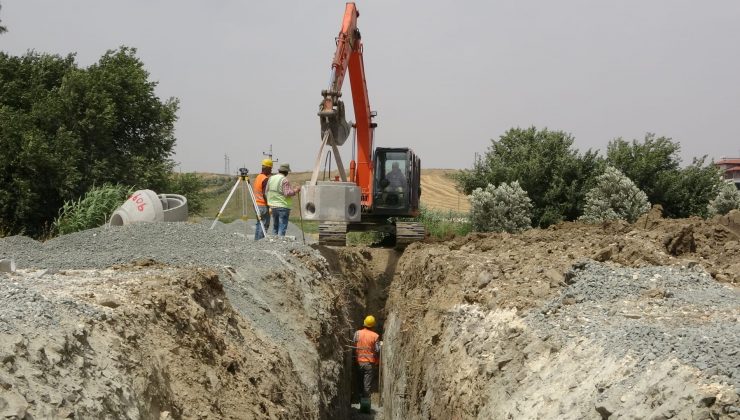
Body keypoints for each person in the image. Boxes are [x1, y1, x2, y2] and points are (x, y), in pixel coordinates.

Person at [353, 315, 380, 411]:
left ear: (364, 323)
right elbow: (377, 350)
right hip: (369, 364)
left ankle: (360, 402)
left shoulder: (357, 333)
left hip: (358, 362)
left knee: (360, 383)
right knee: (367, 385)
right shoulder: (375, 336)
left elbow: (354, 345)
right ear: (373, 325)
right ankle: (365, 408)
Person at [266, 162, 301, 237]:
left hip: (273, 206)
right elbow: (287, 193)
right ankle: (280, 244)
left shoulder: (271, 178)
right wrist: (295, 190)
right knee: (282, 227)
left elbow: (267, 190)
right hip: (283, 206)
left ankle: (274, 243)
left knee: (275, 227)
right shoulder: (284, 180)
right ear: (286, 172)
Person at [253, 159, 272, 240]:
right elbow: (264, 194)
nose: (271, 171)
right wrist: (269, 205)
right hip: (263, 205)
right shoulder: (265, 179)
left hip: (256, 204)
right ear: (267, 168)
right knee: (264, 225)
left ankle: (256, 242)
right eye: (270, 169)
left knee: (259, 223)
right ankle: (260, 242)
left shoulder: (258, 177)